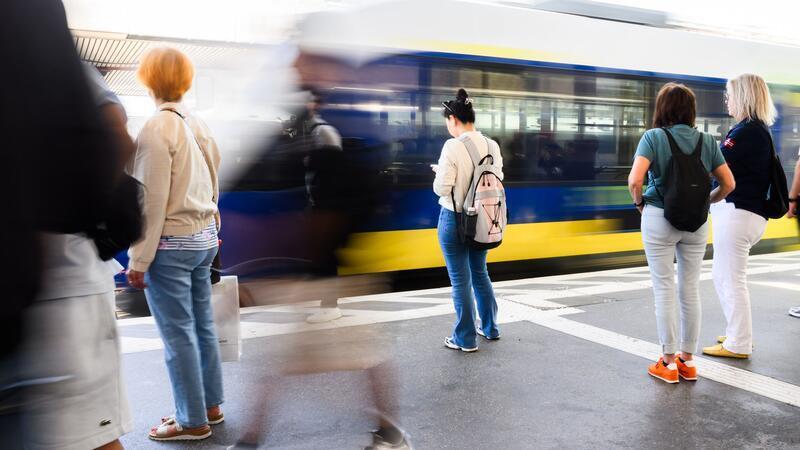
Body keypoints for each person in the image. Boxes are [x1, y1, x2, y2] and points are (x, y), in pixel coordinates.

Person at [126, 47, 224, 441]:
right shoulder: (196, 122)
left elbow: (151, 199)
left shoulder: (156, 127)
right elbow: (214, 179)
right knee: (203, 328)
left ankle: (190, 420)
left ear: (148, 79)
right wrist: (212, 217)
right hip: (203, 241)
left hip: (171, 246)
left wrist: (139, 258)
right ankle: (211, 406)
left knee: (178, 335)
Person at [628, 82, 735, 383]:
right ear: (691, 110)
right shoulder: (707, 141)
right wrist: (706, 201)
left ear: (662, 108)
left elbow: (635, 180)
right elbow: (728, 184)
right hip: (697, 222)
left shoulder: (653, 137)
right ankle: (687, 361)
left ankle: (667, 362)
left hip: (659, 217)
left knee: (663, 287)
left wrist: (640, 204)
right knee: (689, 289)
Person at [703, 74, 779, 357]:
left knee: (731, 278)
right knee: (723, 275)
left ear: (743, 96)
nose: (726, 100)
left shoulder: (747, 132)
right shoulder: (754, 130)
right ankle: (738, 333)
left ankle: (739, 343)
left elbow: (715, 163)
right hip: (743, 213)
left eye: (729, 94)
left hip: (739, 213)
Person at [433, 88, 502, 352]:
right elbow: (495, 179)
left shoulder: (452, 145)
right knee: (480, 273)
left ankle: (465, 338)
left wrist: (440, 172)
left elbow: (442, 188)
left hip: (455, 218)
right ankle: (490, 327)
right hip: (484, 219)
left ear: (453, 120)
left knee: (460, 280)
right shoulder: (492, 145)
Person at [301, 88, 347, 324]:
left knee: (325, 256)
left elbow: (329, 174)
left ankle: (330, 305)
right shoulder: (315, 130)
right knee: (321, 255)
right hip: (321, 204)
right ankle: (327, 303)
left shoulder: (324, 132)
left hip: (327, 205)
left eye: (312, 101)